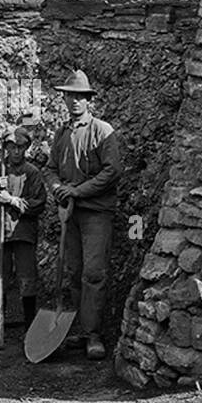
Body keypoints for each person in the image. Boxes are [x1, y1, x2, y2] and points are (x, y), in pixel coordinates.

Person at [44, 69, 123, 360]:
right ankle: (79, 327)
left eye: (80, 96)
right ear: (64, 99)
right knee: (74, 272)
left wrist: (78, 191)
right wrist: (58, 189)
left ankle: (94, 334)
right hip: (70, 213)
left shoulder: (102, 130)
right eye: (70, 96)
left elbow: (112, 171)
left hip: (96, 213)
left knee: (94, 273)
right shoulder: (62, 133)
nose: (75, 101)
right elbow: (51, 169)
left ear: (89, 100)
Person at [0, 126, 48, 341]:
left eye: (20, 147)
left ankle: (29, 327)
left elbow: (39, 203)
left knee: (27, 279)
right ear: (6, 148)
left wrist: (13, 201)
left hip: (23, 233)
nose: (16, 151)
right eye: (12, 147)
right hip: (0, 231)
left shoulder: (32, 173)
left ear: (26, 148)